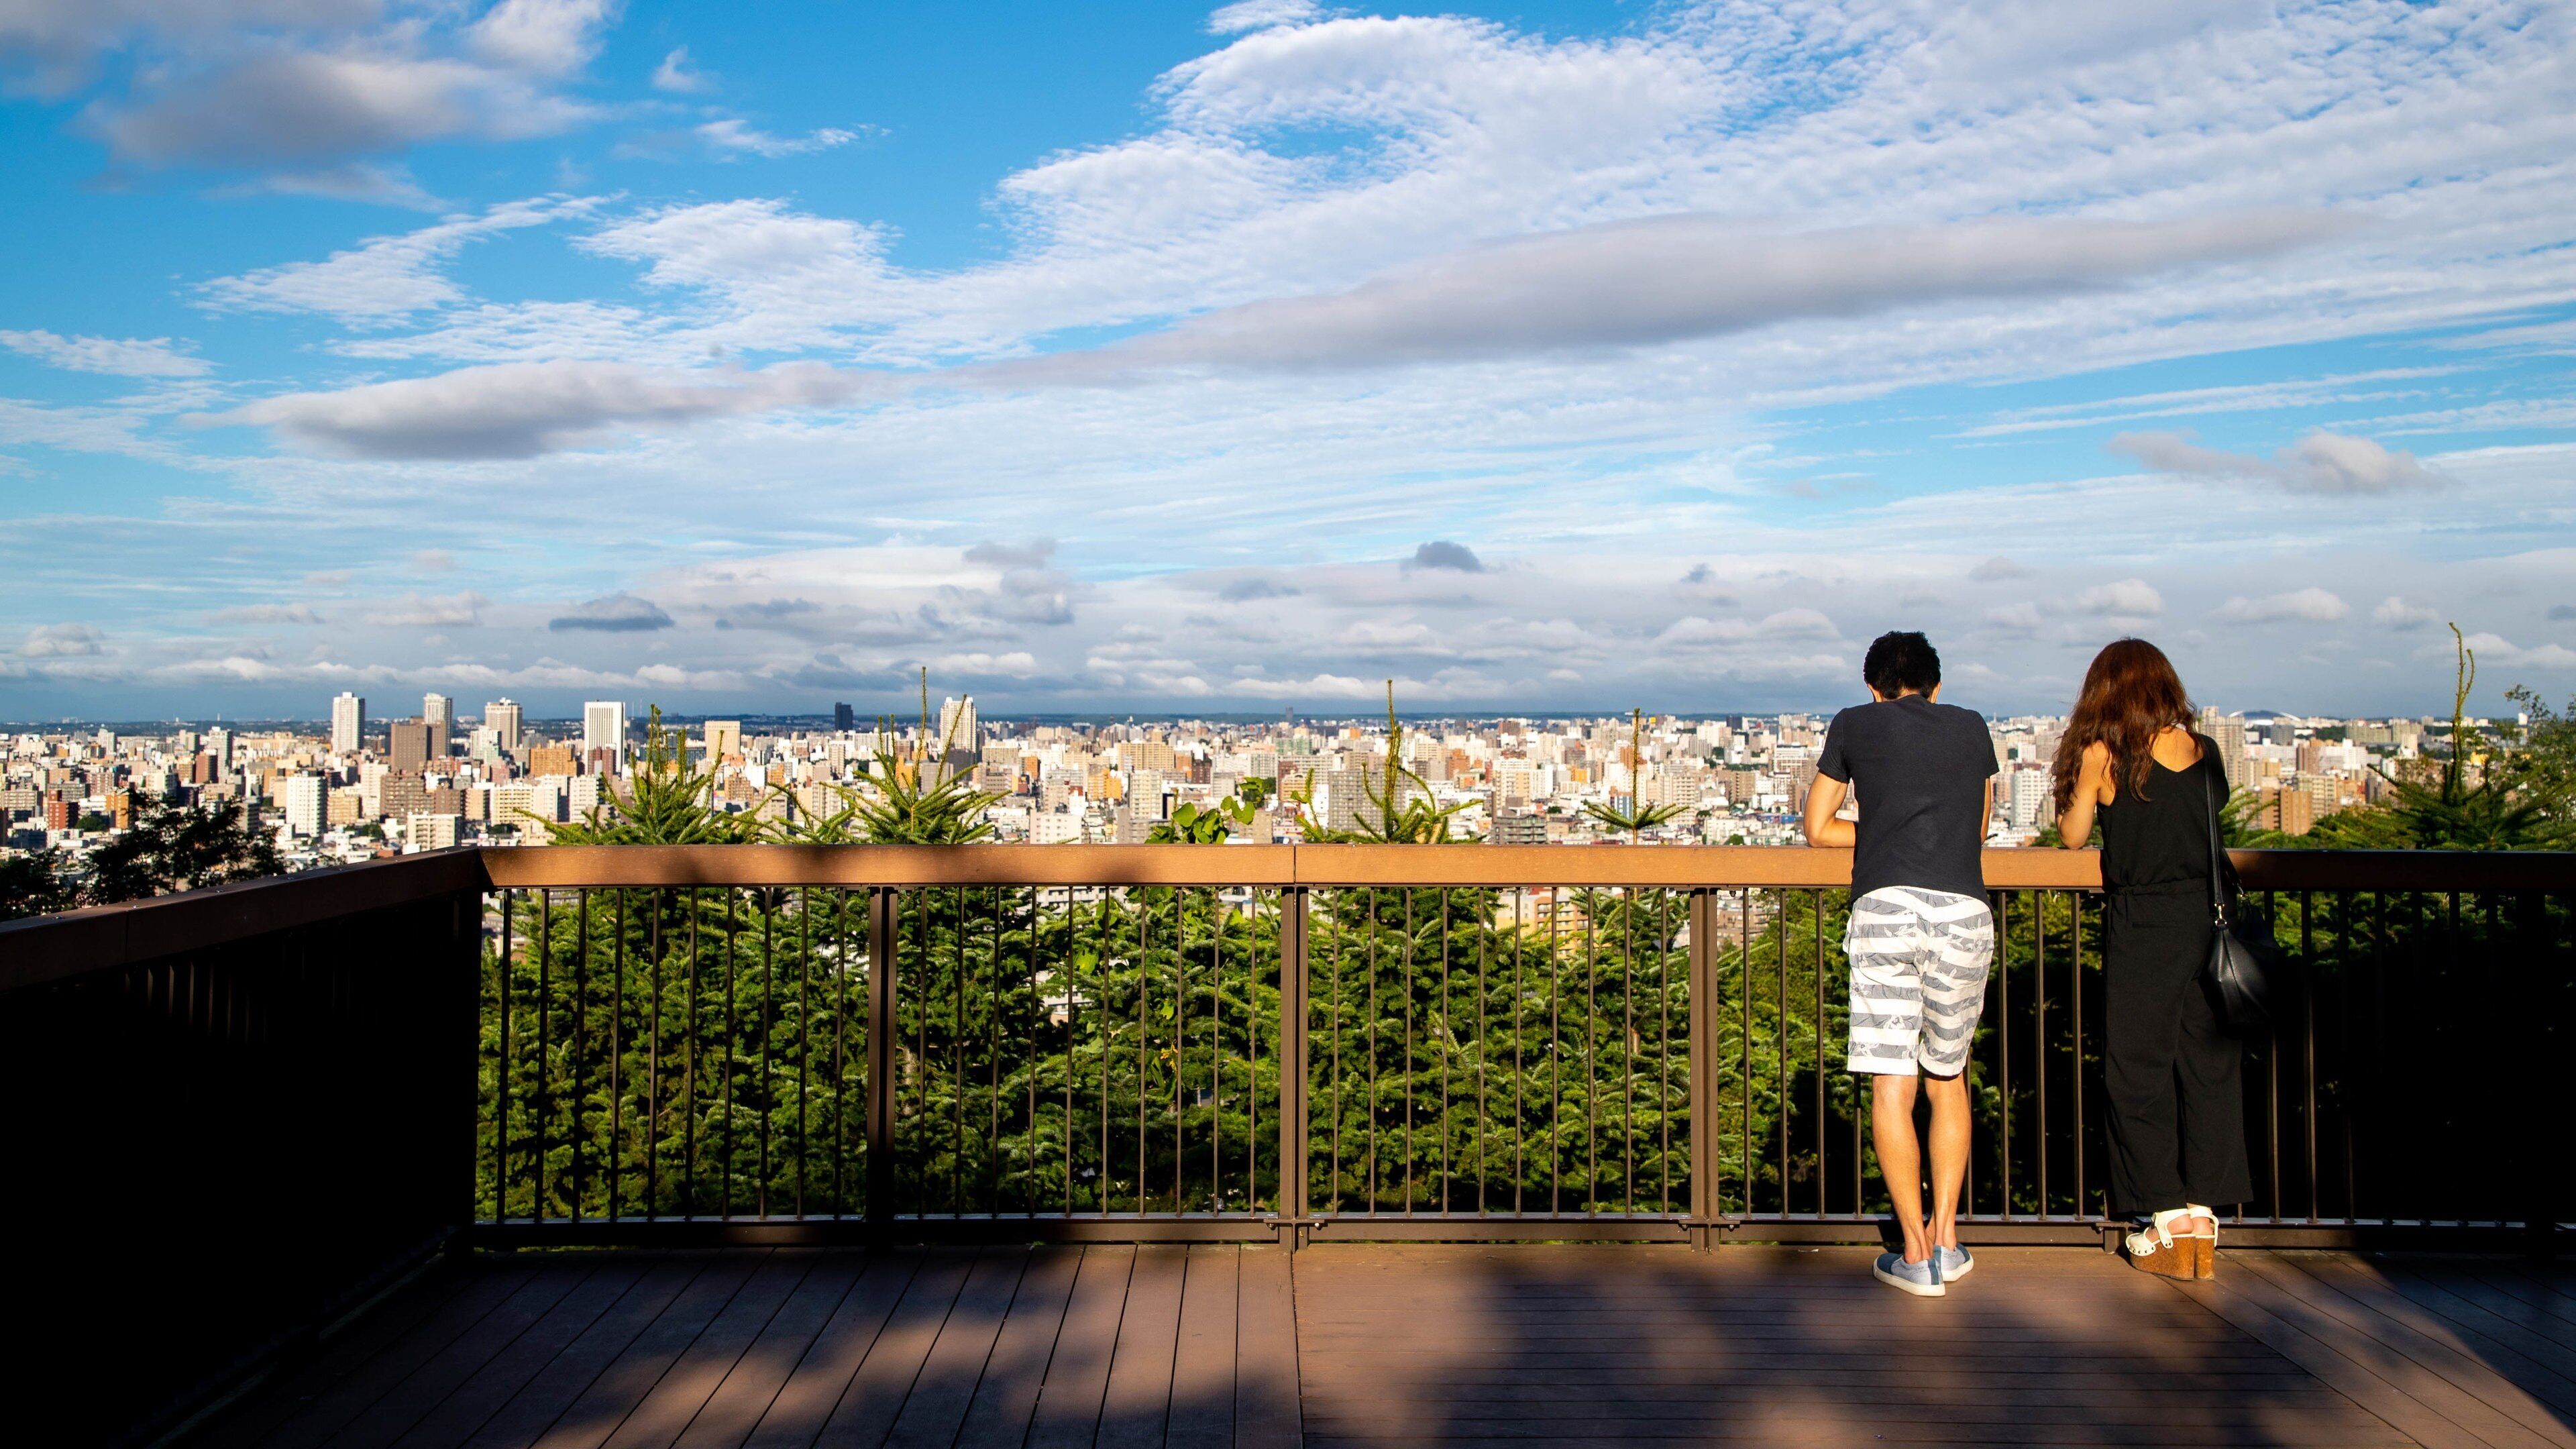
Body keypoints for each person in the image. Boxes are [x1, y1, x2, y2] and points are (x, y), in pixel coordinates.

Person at [2049, 639, 2251, 1280]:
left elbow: (2073, 835)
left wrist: (2076, 779)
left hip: (2145, 920)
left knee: (2137, 1068)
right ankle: (2203, 1216)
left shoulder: (2104, 754)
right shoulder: (2203, 749)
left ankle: (2163, 1217)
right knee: (2207, 1065)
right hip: (2209, 919)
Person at [1804, 631, 1997, 1297]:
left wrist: (1885, 830)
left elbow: (1818, 827)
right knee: (1949, 1075)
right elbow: (1977, 828)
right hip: (1963, 913)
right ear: (1936, 687)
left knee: (1893, 1082)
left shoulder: (1854, 723)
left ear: (1872, 687)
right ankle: (1946, 1238)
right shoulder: (1972, 727)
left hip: (1887, 910)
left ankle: (1914, 1255)